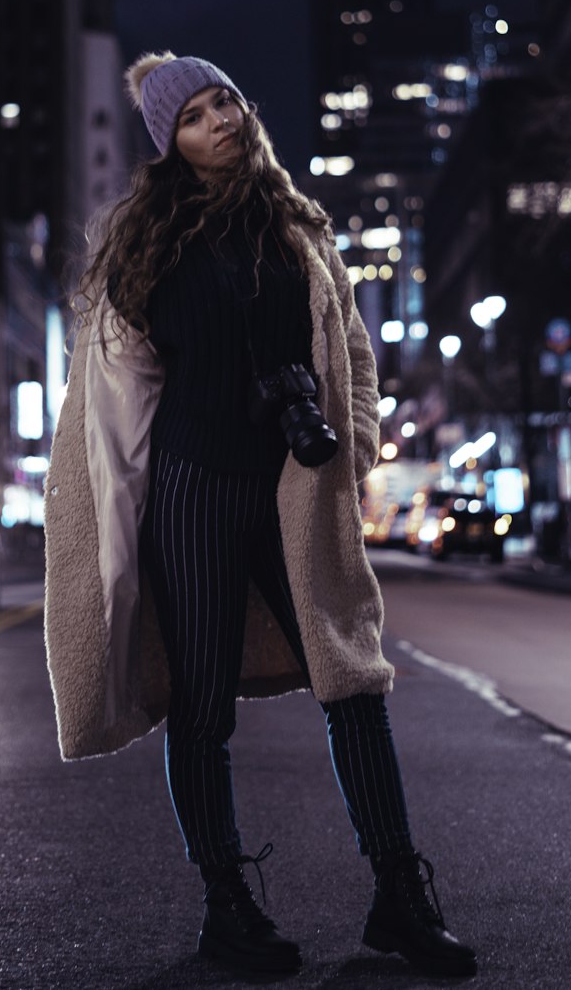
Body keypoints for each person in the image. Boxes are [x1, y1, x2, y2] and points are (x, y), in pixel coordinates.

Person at [43, 51, 477, 979]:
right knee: (202, 708)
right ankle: (226, 906)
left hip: (294, 487)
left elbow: (353, 352)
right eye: (196, 115)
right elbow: (114, 404)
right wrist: (113, 534)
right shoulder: (145, 246)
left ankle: (400, 896)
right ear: (171, 143)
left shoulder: (297, 228)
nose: (220, 120)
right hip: (194, 489)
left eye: (226, 100)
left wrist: (354, 448)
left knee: (353, 684)